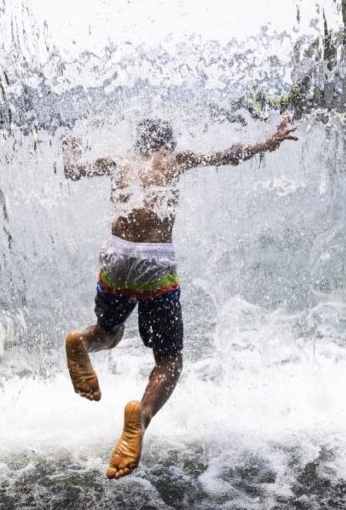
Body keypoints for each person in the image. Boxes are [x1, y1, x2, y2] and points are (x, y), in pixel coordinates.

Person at [63, 116, 298, 479]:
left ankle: (80, 341)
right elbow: (229, 155)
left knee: (110, 333)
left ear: (137, 143)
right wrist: (266, 143)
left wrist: (70, 147)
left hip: (115, 254)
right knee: (170, 359)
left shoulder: (119, 161)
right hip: (155, 261)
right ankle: (140, 415)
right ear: (168, 145)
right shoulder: (175, 160)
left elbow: (73, 170)